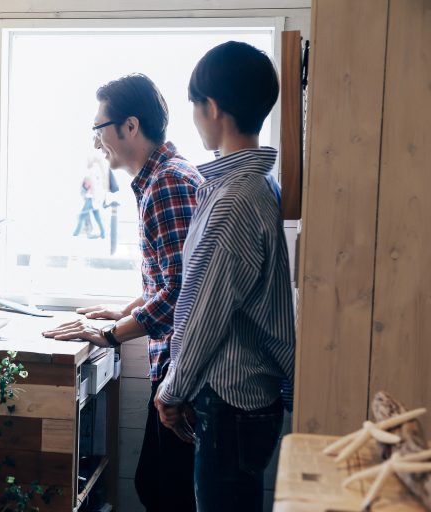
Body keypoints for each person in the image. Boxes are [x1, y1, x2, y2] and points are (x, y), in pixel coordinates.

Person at [43, 73, 203, 511]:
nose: (96, 143)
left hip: (185, 366)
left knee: (163, 490)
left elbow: (180, 295)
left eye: (99, 129)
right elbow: (166, 280)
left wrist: (112, 334)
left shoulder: (168, 183)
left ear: (130, 126)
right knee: (155, 484)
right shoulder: (160, 178)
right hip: (177, 362)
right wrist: (121, 311)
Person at [154, 41, 295, 512]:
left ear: (211, 108)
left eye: (195, 106)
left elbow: (203, 313)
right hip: (251, 397)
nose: (194, 118)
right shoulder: (259, 186)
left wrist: (172, 389)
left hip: (231, 400)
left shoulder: (233, 200)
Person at [72, 159, 106, 239]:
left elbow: (91, 185)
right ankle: (103, 233)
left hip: (90, 198)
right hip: (94, 198)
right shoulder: (96, 171)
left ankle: (75, 233)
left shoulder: (91, 171)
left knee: (81, 216)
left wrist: (90, 192)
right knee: (97, 216)